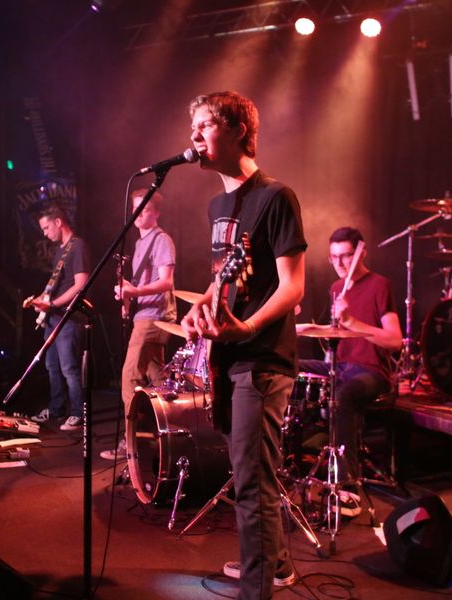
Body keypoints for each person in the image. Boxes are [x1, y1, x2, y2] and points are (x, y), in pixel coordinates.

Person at [181, 91, 306, 598]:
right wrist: (201, 305)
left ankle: (257, 590)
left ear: (237, 129)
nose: (194, 135)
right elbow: (225, 276)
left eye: (205, 124)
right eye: (192, 126)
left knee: (253, 484)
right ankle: (276, 564)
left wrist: (248, 327)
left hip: (263, 358)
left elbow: (293, 286)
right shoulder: (217, 205)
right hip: (228, 355)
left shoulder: (276, 197)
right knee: (246, 472)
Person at [298, 227, 402, 482]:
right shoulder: (336, 287)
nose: (340, 263)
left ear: (361, 254)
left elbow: (394, 340)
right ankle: (291, 460)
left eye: (345, 255)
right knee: (289, 366)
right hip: (342, 366)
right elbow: (337, 331)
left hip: (372, 371)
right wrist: (307, 328)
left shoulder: (380, 285)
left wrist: (352, 322)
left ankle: (346, 482)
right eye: (334, 257)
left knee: (345, 394)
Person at [101, 189, 176, 460]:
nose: (139, 214)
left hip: (154, 318)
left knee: (129, 377)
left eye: (145, 209)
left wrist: (134, 292)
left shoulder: (161, 240)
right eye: (136, 209)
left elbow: (166, 282)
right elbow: (141, 285)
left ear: (156, 213)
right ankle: (169, 436)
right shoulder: (140, 244)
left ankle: (131, 443)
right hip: (144, 315)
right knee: (159, 382)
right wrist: (127, 298)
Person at [31, 205, 90, 431]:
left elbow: (80, 284)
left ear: (58, 222)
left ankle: (78, 413)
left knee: (68, 368)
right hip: (54, 317)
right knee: (51, 365)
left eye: (47, 228)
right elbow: (58, 284)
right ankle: (56, 408)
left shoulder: (78, 246)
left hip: (69, 317)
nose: (45, 233)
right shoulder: (60, 251)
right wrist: (42, 300)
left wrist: (54, 304)